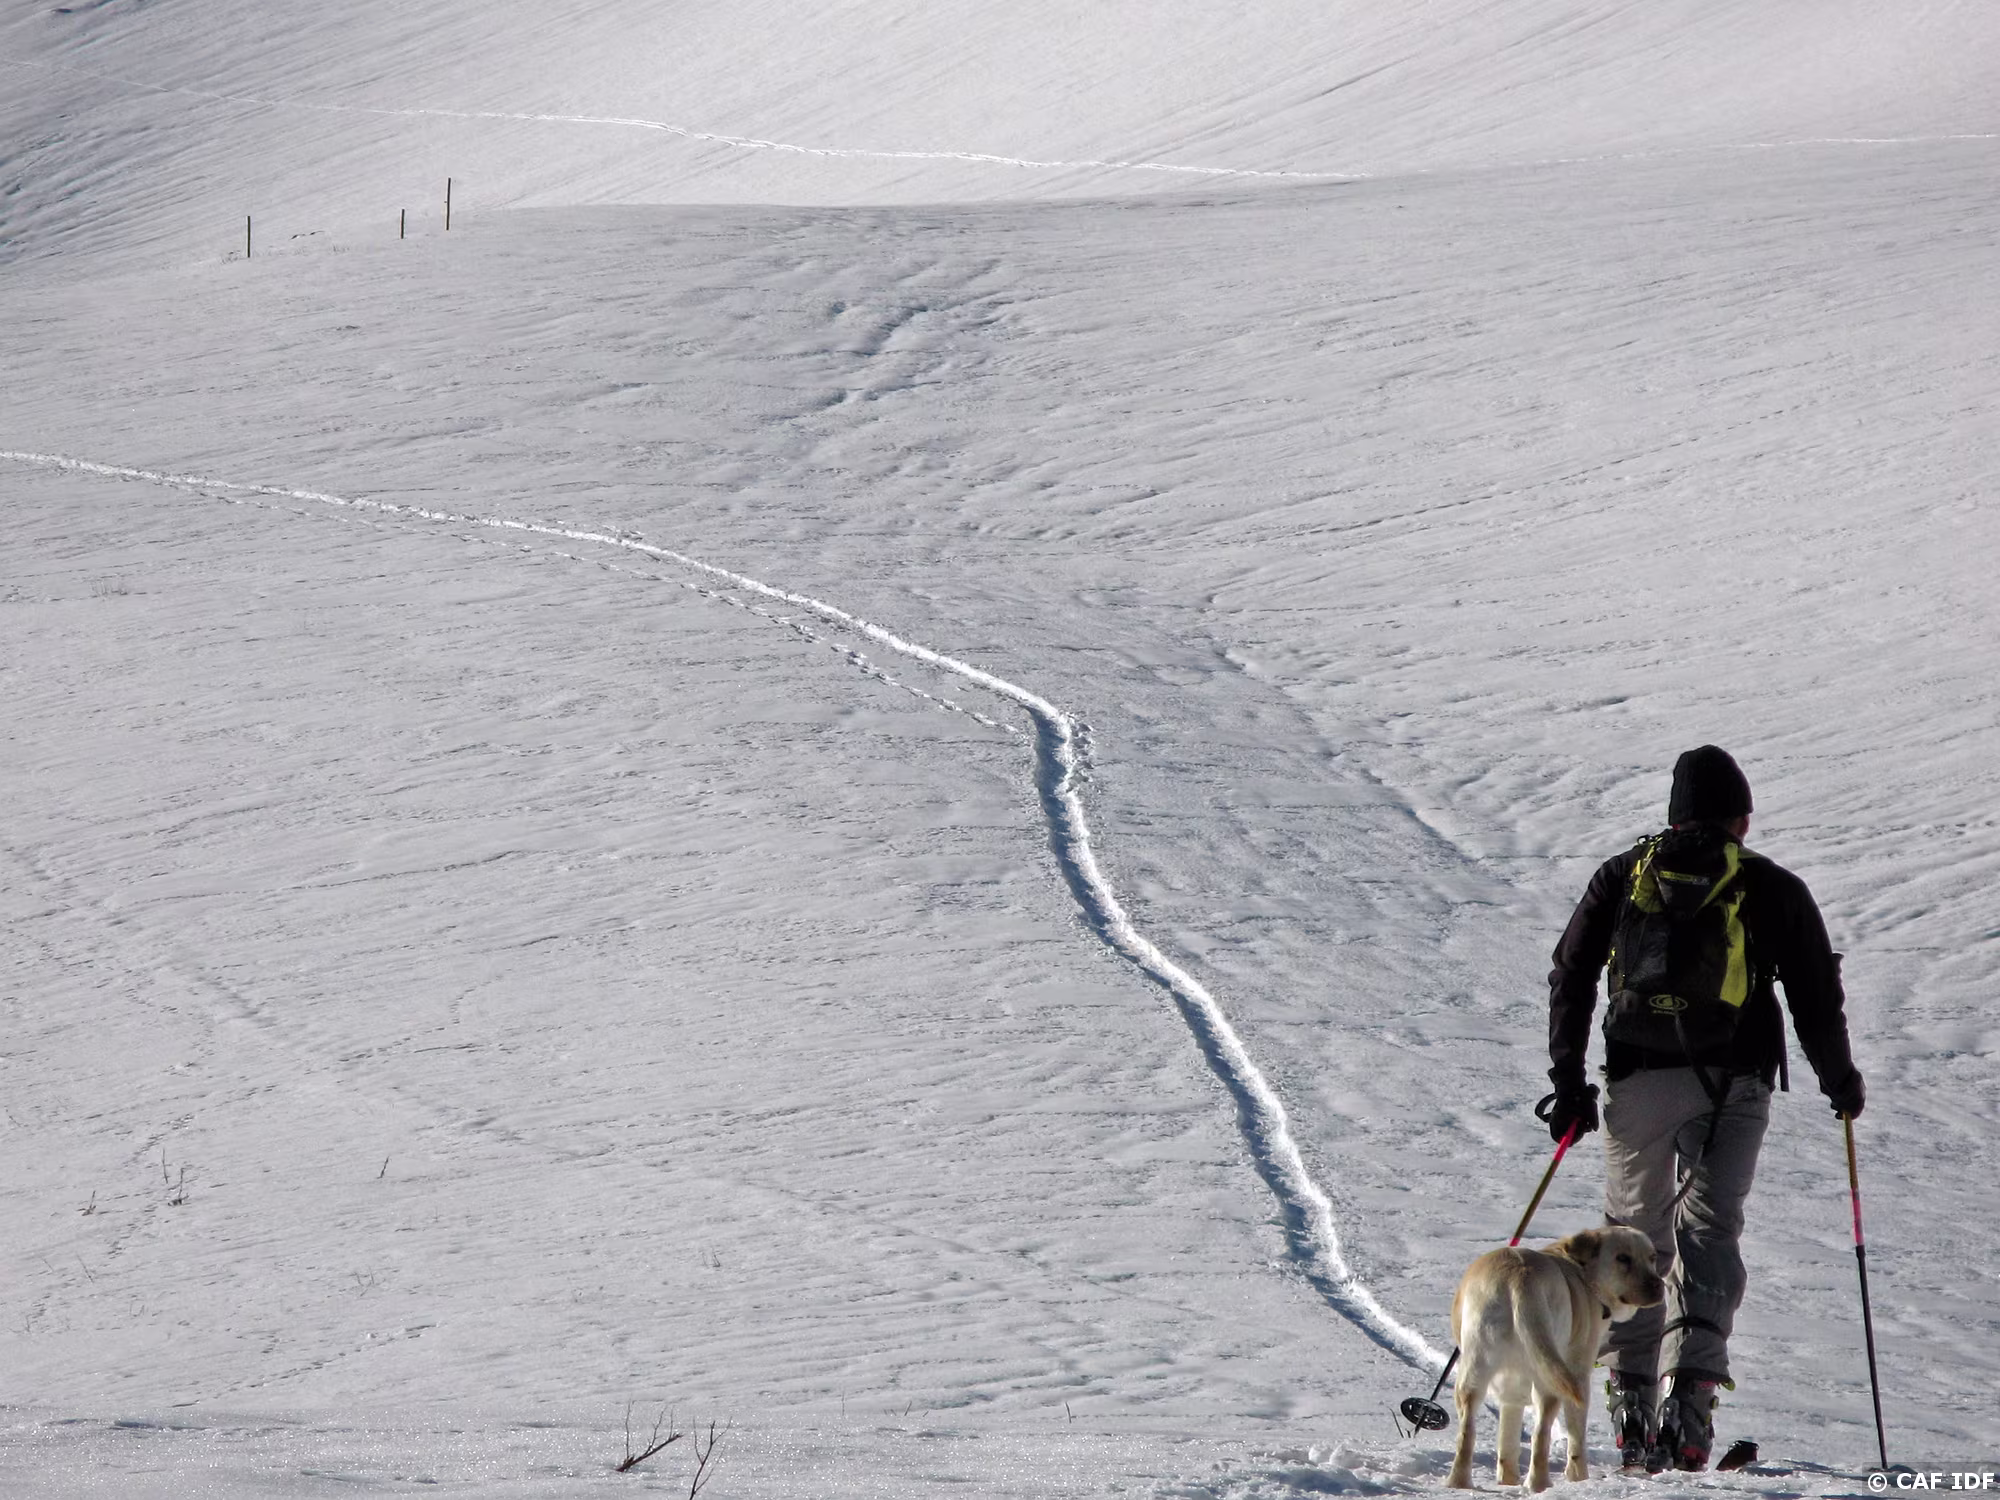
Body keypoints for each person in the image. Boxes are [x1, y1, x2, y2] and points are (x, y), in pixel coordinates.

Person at [1540, 745, 1865, 1472]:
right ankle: (1690, 1403)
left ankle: (1630, 1401)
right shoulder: (1768, 884)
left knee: (1635, 1235)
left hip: (1637, 1081)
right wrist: (1840, 1081)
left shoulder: (1625, 874)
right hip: (1735, 1085)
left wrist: (1569, 1081)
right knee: (1711, 1233)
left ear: (1674, 815)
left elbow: (1571, 973)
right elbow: (1815, 995)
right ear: (1739, 819)